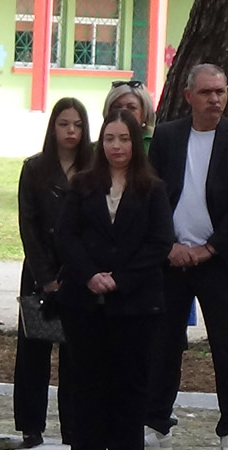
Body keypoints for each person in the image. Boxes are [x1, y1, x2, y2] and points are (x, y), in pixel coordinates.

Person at [55, 109, 174, 449]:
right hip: (85, 304)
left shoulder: (153, 188)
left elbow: (159, 242)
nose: (116, 146)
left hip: (136, 306)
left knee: (131, 389)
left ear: (135, 142)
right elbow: (66, 235)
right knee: (87, 387)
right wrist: (90, 275)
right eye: (109, 138)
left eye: (123, 139)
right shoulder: (82, 184)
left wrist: (120, 279)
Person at [145, 63, 228, 449]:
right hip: (172, 259)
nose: (215, 99)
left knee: (224, 345)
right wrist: (169, 246)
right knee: (163, 344)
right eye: (207, 92)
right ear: (189, 96)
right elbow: (153, 195)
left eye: (221, 91)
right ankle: (156, 422)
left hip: (218, 260)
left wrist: (209, 248)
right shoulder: (167, 136)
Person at [14, 97, 92, 447]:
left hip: (81, 274)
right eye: (64, 124)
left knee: (77, 355)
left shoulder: (94, 169)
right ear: (53, 127)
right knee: (34, 352)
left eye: (77, 125)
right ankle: (31, 426)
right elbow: (28, 225)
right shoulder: (34, 168)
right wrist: (46, 277)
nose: (71, 131)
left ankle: (74, 427)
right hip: (39, 270)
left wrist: (79, 271)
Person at [103, 80, 156, 151]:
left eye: (132, 108)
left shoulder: (157, 144)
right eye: (117, 107)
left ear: (144, 112)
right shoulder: (94, 150)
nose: (124, 112)